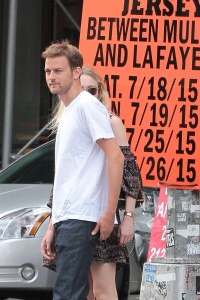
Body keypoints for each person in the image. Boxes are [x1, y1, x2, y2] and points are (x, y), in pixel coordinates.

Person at [43, 65, 144, 300]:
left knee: (102, 288)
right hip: (73, 217)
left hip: (100, 216)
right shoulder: (69, 118)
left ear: (101, 92)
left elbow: (129, 171)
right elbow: (63, 179)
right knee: (84, 291)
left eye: (93, 90)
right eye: (83, 90)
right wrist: (51, 225)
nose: (88, 95)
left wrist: (128, 217)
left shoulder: (110, 122)